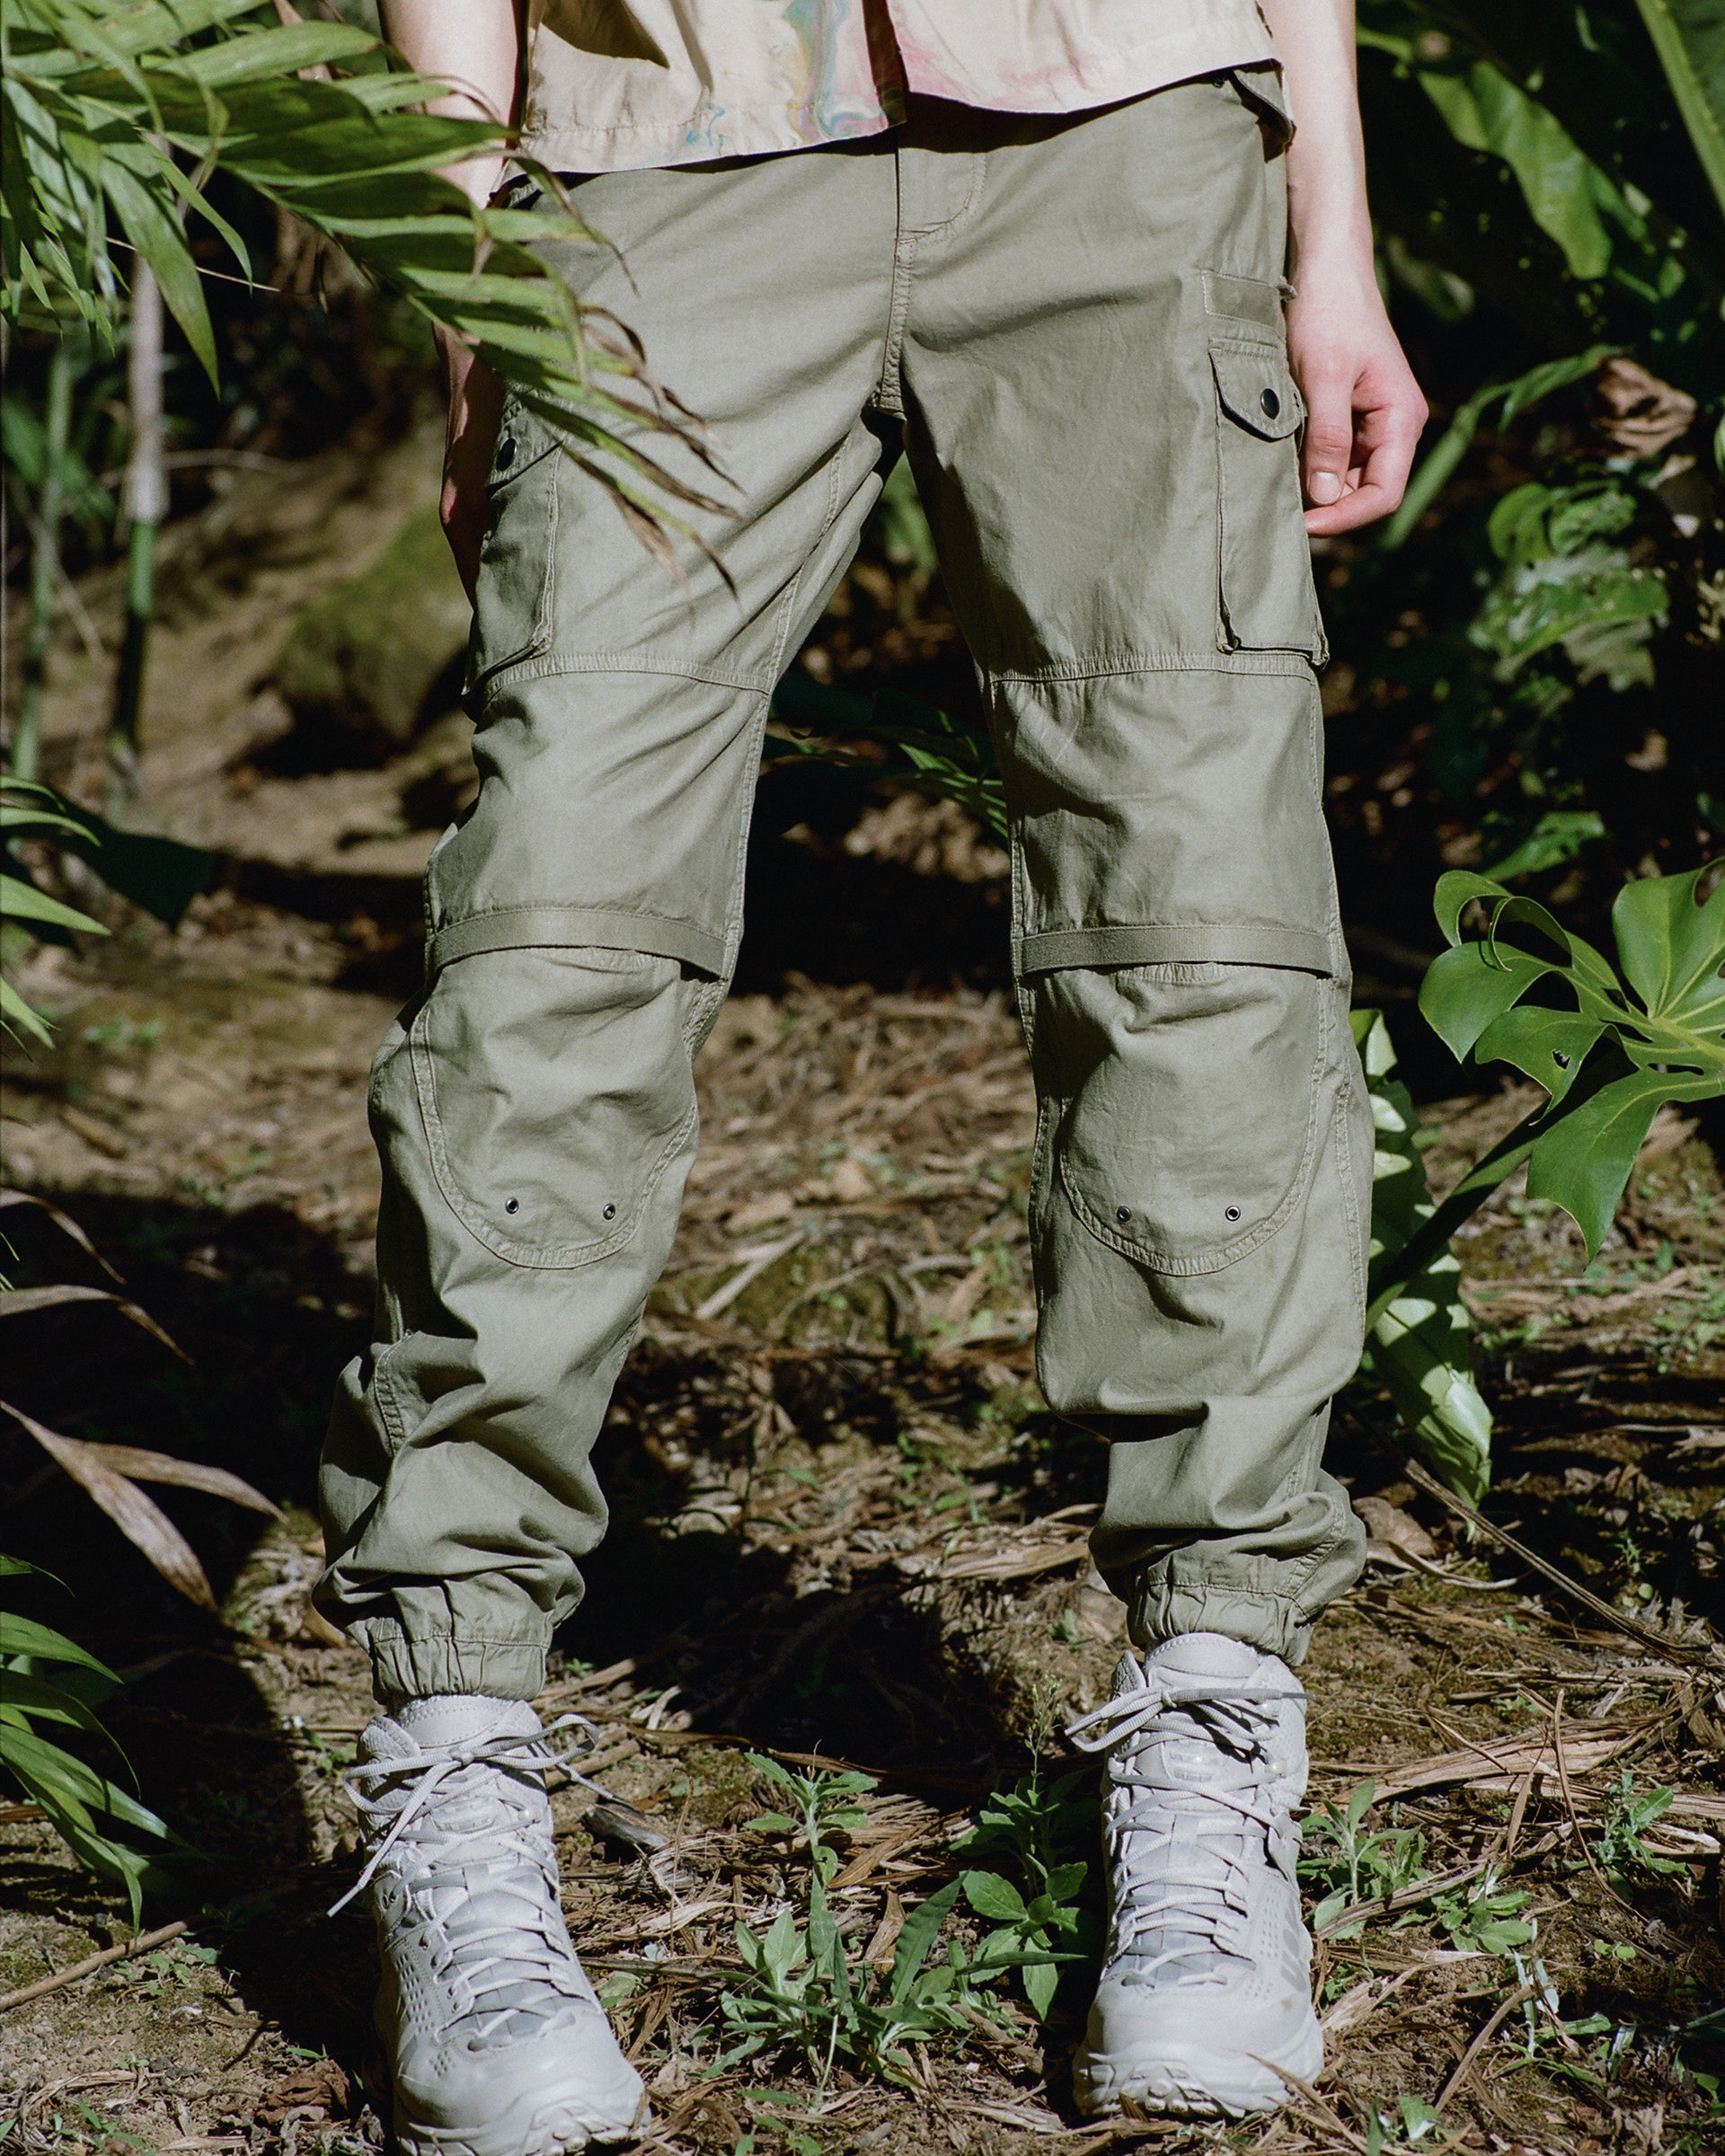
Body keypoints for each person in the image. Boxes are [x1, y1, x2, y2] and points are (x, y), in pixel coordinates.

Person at [313, 4, 1428, 2149]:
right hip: (656, 155)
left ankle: (1214, 1726)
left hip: (1125, 121)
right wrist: (466, 268)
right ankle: (452, 1758)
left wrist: (1332, 232)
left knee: (1195, 920)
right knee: (553, 920)